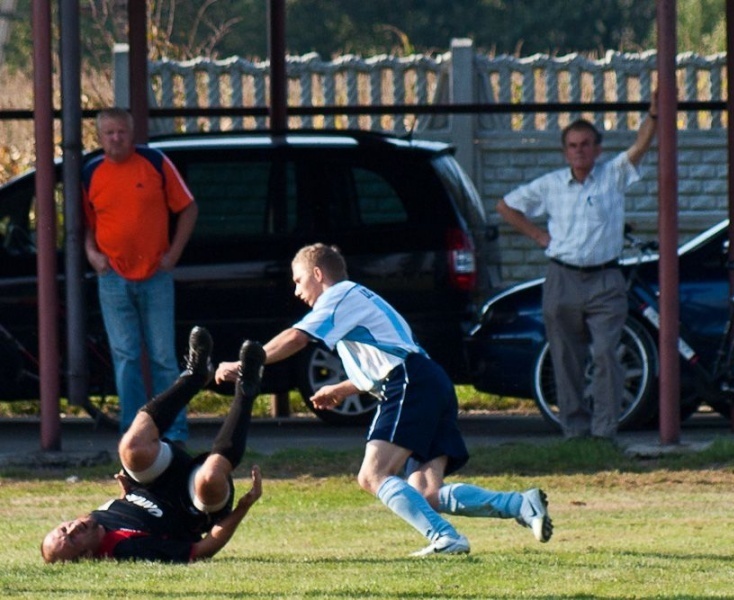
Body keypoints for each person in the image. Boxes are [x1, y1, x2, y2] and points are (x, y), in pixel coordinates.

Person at [215, 243, 553, 556]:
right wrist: (342, 389)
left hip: (410, 382)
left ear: (318, 274)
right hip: (429, 381)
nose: (297, 291)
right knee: (426, 493)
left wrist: (245, 363)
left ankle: (446, 538)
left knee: (373, 474)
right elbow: (384, 357)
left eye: (299, 280)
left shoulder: (339, 294)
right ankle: (521, 505)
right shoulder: (358, 299)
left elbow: (296, 337)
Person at [496, 96, 658, 441]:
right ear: (564, 151)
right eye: (573, 146)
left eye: (586, 145)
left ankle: (604, 431)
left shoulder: (612, 176)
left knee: (605, 355)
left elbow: (640, 146)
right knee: (565, 357)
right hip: (562, 276)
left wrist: (654, 115)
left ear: (598, 149)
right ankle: (574, 430)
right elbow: (506, 206)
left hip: (605, 278)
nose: (579, 151)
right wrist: (539, 235)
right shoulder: (551, 184)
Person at [41, 327, 265, 563]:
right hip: (192, 506)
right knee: (209, 478)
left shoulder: (92, 522)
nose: (74, 528)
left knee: (131, 449)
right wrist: (244, 506)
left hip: (153, 482)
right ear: (87, 555)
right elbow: (201, 550)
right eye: (72, 539)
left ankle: (194, 376)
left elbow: (132, 516)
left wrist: (126, 493)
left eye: (64, 528)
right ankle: (247, 386)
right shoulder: (127, 550)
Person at [82, 107, 199, 443]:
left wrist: (174, 253)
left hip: (156, 275)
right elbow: (88, 224)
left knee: (163, 356)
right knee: (126, 357)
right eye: (110, 133)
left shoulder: (155, 163)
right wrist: (93, 256)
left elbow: (188, 207)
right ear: (100, 138)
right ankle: (132, 433)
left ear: (132, 134)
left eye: (122, 132)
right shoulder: (92, 173)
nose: (116, 138)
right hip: (113, 277)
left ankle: (173, 430)